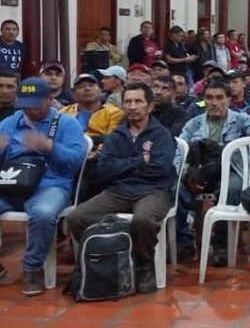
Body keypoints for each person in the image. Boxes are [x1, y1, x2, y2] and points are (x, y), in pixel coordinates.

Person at [65, 83, 176, 294]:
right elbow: (105, 169)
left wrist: (124, 166)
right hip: (118, 191)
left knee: (143, 220)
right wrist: (139, 162)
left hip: (152, 190)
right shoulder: (116, 135)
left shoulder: (161, 134)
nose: (132, 106)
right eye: (128, 101)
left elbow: (160, 169)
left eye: (138, 101)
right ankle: (106, 257)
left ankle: (145, 267)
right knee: (77, 218)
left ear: (150, 106)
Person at [0, 77, 87, 295]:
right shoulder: (9, 123)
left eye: (36, 105)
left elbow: (77, 159)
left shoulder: (66, 123)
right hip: (12, 183)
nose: (30, 111)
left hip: (51, 184)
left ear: (49, 100)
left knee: (43, 213)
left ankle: (32, 268)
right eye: (25, 106)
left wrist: (50, 146)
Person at [176, 80, 250, 264]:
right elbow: (179, 151)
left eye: (219, 98)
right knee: (174, 188)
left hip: (228, 171)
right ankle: (182, 241)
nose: (214, 102)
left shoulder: (240, 119)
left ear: (228, 100)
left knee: (233, 188)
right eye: (209, 98)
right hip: (199, 172)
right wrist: (185, 174)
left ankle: (222, 244)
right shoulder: (193, 124)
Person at [60, 73, 124, 154]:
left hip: (102, 157)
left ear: (101, 91)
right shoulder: (63, 113)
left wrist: (97, 153)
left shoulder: (114, 112)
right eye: (81, 87)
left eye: (91, 85)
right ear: (74, 95)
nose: (87, 89)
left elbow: (114, 139)